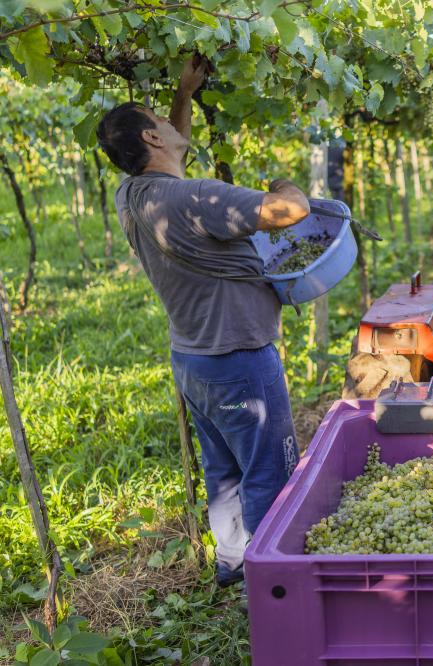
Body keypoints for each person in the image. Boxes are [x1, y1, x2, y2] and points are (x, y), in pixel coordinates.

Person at [96, 56, 311, 586]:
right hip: (240, 360)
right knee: (270, 471)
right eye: (163, 122)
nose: (172, 126)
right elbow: (291, 213)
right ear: (151, 135)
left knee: (225, 473)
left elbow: (170, 166)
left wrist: (184, 97)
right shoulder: (195, 197)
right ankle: (274, 587)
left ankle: (234, 563)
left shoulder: (134, 197)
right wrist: (288, 186)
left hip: (193, 361)